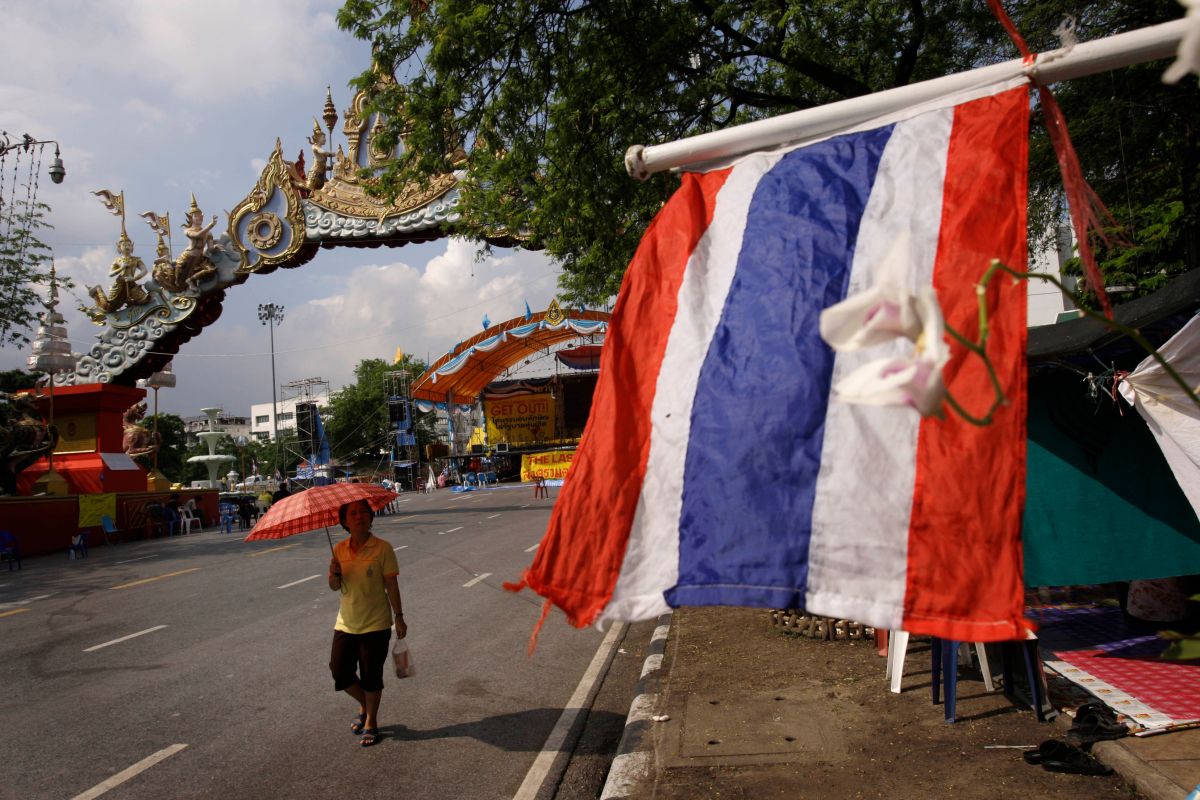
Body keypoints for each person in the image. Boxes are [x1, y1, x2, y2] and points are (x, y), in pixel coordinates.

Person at [327, 500, 406, 747]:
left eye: (363, 512)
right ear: (344, 522)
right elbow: (334, 586)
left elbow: (391, 584)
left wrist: (399, 616)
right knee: (339, 671)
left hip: (376, 623)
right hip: (346, 623)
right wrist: (334, 573)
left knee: (371, 675)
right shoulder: (339, 550)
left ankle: (371, 720)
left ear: (371, 517)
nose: (359, 516)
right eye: (353, 513)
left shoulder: (383, 548)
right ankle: (364, 703)